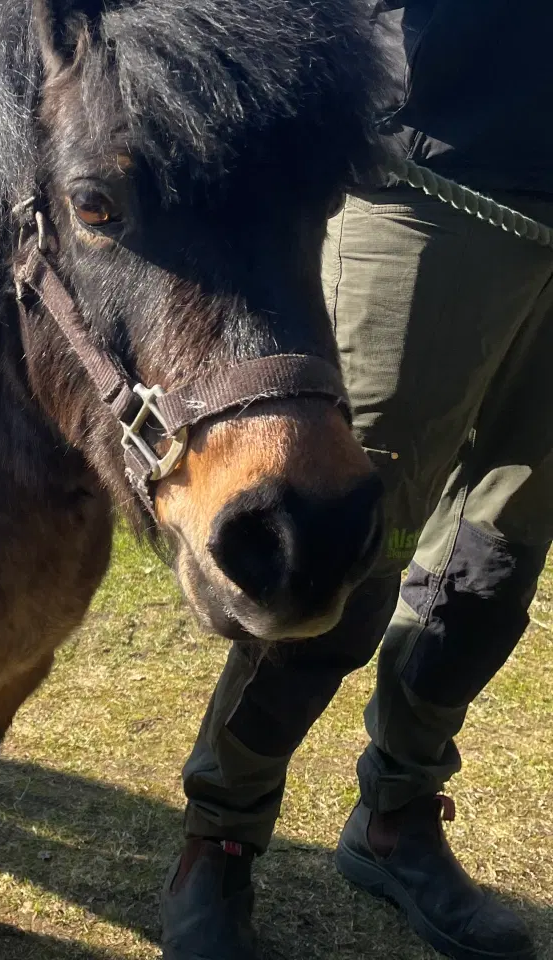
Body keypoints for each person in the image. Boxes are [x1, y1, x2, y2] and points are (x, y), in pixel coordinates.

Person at [160, 2, 553, 959]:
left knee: (498, 553)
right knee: (336, 547)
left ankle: (398, 816)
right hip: (437, 168)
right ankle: (221, 834)